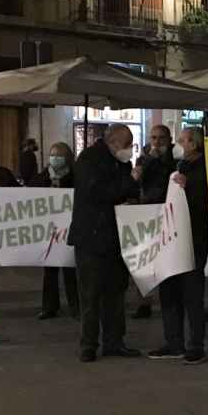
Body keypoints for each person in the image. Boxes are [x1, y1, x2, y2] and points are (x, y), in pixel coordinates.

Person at [69, 124, 141, 362]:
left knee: (115, 292)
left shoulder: (120, 162)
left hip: (115, 236)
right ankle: (88, 344)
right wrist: (130, 182)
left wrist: (129, 185)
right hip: (91, 237)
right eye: (128, 145)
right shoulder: (89, 160)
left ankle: (114, 341)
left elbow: (124, 192)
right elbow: (100, 193)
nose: (130, 151)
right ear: (114, 143)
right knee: (90, 294)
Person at [150, 127, 208, 364]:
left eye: (183, 140)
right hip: (171, 238)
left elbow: (207, 203)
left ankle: (196, 345)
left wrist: (190, 187)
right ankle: (173, 342)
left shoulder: (206, 170)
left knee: (192, 294)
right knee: (169, 292)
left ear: (194, 144)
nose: (179, 144)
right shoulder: (178, 166)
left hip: (194, 240)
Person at [132, 124, 176, 319]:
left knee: (168, 259)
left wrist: (163, 159)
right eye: (153, 138)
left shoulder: (175, 157)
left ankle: (171, 300)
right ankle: (144, 302)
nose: (157, 142)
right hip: (147, 211)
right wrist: (150, 159)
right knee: (145, 261)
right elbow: (139, 179)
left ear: (168, 139)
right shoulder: (144, 157)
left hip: (168, 212)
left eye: (161, 138)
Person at [33, 142, 79, 321]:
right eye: (53, 155)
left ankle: (76, 306)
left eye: (59, 155)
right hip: (49, 228)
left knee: (70, 269)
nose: (55, 159)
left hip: (68, 228)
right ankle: (49, 306)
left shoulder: (76, 176)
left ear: (68, 158)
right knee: (49, 270)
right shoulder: (43, 176)